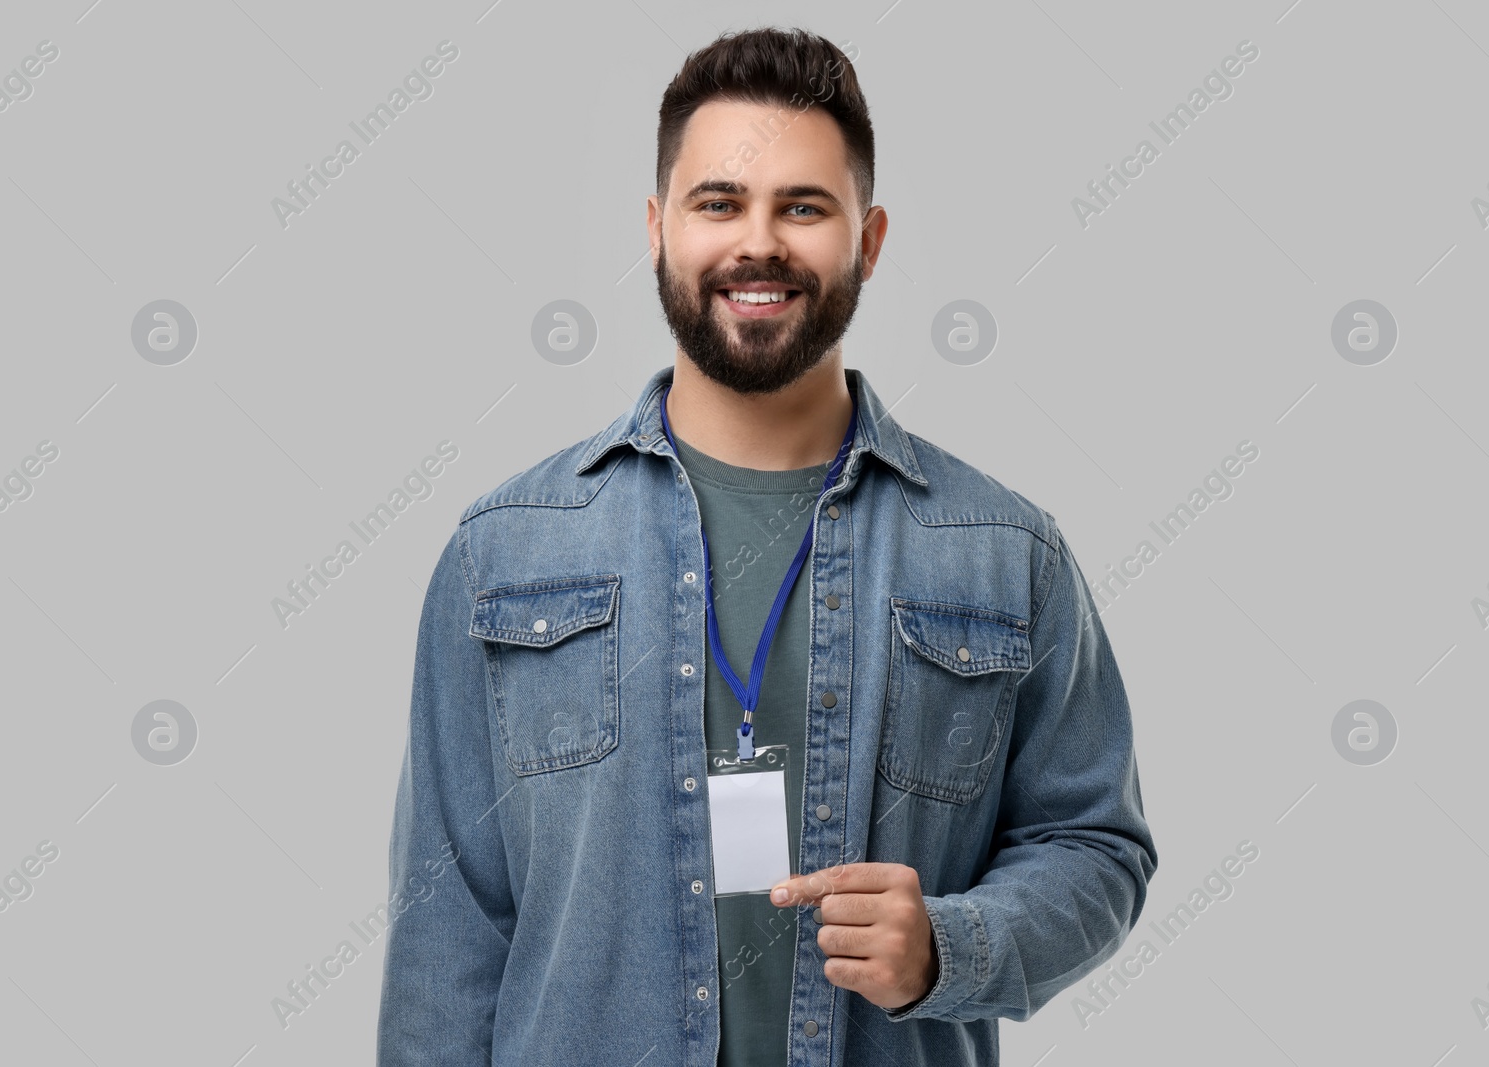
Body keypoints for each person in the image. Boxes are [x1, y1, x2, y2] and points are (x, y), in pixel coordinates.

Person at [377, 26, 1157, 1067]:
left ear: (867, 240)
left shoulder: (1003, 553)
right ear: (656, 230)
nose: (759, 244)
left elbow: (1094, 847)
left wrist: (949, 944)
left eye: (802, 206)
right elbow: (449, 932)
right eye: (718, 203)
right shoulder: (504, 553)